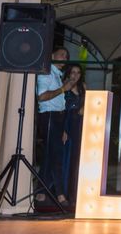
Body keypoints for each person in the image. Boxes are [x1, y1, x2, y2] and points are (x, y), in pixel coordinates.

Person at [35, 46, 75, 205]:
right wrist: (63, 89)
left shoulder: (56, 75)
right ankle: (59, 194)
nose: (64, 58)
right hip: (49, 116)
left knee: (50, 155)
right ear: (52, 55)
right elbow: (42, 97)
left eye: (66, 56)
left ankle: (41, 192)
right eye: (61, 55)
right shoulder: (46, 73)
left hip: (57, 117)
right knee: (55, 155)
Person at [61, 63, 85, 204]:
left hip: (80, 125)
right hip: (67, 124)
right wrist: (63, 129)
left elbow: (87, 105)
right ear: (68, 73)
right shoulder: (63, 87)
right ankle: (63, 192)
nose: (75, 75)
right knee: (66, 158)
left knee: (77, 160)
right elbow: (61, 110)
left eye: (78, 73)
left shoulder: (83, 88)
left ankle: (74, 193)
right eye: (73, 72)